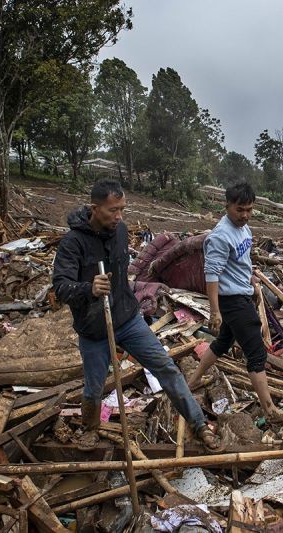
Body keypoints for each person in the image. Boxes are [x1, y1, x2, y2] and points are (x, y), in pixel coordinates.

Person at [52, 179, 223, 452]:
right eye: (112, 210)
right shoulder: (73, 243)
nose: (119, 217)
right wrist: (89, 288)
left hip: (128, 319)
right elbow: (60, 286)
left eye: (122, 209)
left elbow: (127, 274)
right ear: (94, 209)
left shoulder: (119, 231)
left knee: (166, 368)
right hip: (93, 328)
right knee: (94, 386)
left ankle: (199, 424)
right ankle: (90, 428)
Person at [187, 182, 283, 426]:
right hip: (232, 300)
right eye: (239, 210)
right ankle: (271, 410)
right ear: (227, 206)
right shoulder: (221, 236)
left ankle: (193, 381)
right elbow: (211, 274)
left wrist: (250, 278)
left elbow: (240, 259)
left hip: (242, 293)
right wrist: (215, 311)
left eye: (249, 210)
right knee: (256, 352)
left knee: (223, 342)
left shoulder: (244, 229)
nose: (244, 215)